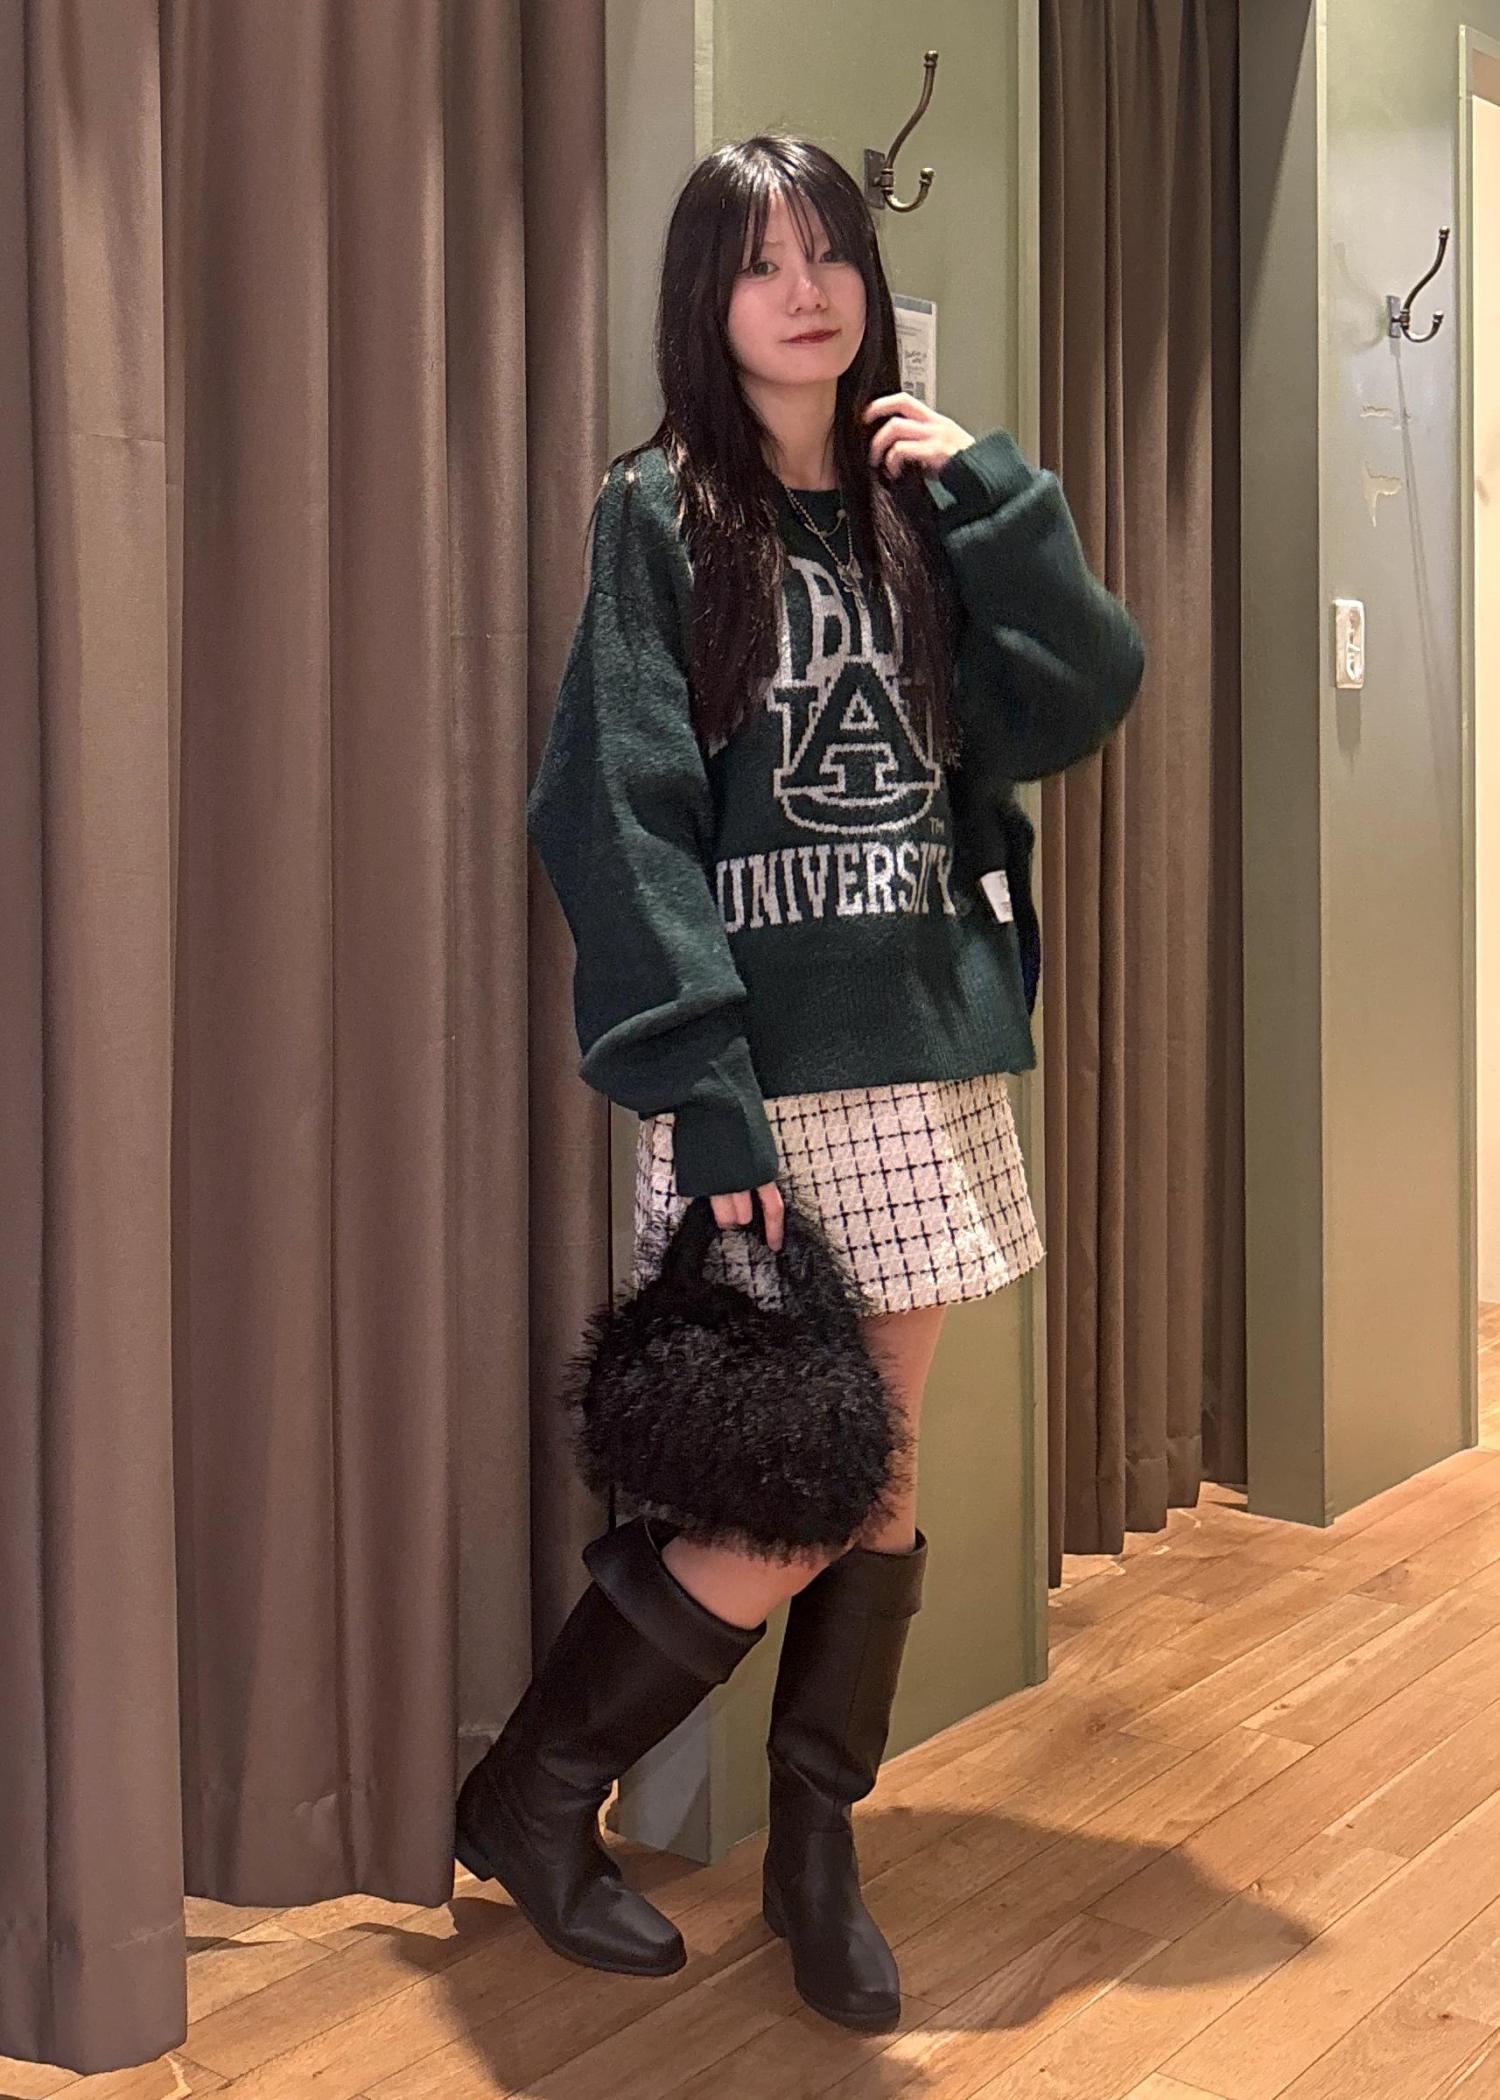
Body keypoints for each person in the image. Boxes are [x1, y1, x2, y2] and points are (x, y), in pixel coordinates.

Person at [455, 133, 1144, 2035]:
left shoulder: (927, 510)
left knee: (877, 1475)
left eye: (829, 252)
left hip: (926, 1048)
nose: (806, 290)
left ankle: (814, 1847)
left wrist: (1002, 500)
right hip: (767, 1072)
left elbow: (1081, 696)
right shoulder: (661, 511)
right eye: (763, 262)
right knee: (797, 1489)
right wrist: (701, 1078)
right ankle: (533, 1788)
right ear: (710, 297)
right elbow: (615, 810)